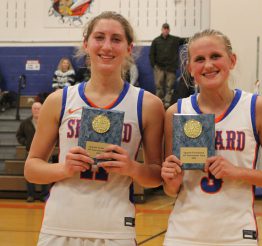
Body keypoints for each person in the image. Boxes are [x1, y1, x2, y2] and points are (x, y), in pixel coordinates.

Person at [24, 11, 164, 246]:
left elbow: (155, 176)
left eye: (116, 39)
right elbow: (31, 168)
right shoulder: (59, 100)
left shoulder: (148, 104)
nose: (107, 46)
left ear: (129, 48)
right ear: (86, 44)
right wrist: (64, 168)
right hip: (59, 226)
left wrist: (132, 168)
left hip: (115, 229)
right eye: (99, 37)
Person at [161, 29, 262, 245]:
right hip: (182, 235)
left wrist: (236, 172)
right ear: (190, 68)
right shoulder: (176, 112)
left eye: (215, 56)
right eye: (199, 59)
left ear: (232, 60)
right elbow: (170, 190)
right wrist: (171, 181)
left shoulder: (256, 107)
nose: (208, 65)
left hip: (237, 236)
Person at [16, 102, 49, 202]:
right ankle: (31, 195)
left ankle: (44, 195)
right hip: (30, 152)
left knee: (46, 174)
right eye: (34, 108)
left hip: (46, 152)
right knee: (29, 174)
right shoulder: (25, 123)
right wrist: (26, 143)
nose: (36, 110)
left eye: (38, 108)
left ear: (42, 109)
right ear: (31, 109)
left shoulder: (48, 121)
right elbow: (19, 136)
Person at [149, 23, 187, 109]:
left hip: (171, 67)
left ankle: (167, 102)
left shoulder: (174, 40)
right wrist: (153, 65)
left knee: (170, 86)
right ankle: (159, 101)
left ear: (169, 30)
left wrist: (196, 38)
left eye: (167, 29)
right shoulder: (156, 41)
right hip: (159, 67)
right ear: (162, 30)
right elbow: (151, 54)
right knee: (159, 86)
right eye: (164, 28)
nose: (165, 30)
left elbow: (185, 40)